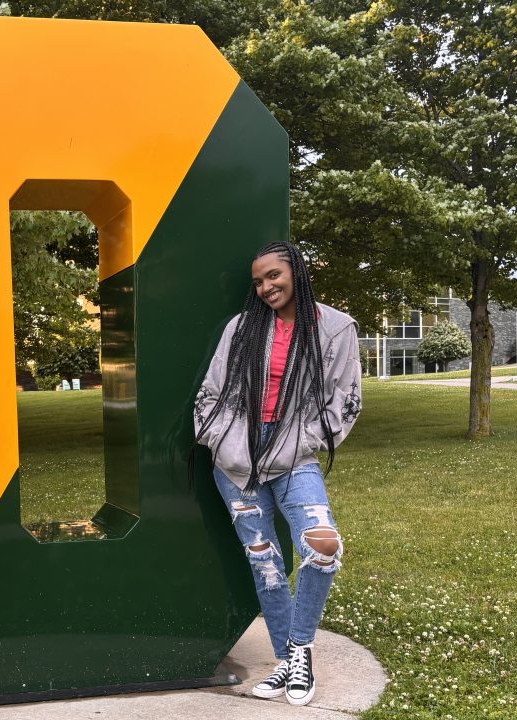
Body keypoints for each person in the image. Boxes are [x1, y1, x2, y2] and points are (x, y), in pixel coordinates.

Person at [192, 241, 361, 707]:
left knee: (323, 545)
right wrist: (225, 443)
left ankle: (298, 647)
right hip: (236, 461)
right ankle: (288, 661)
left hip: (294, 456)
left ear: (296, 271)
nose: (266, 287)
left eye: (273, 276)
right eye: (258, 281)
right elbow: (210, 394)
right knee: (264, 560)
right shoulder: (242, 327)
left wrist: (297, 442)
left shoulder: (336, 327)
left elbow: (345, 402)